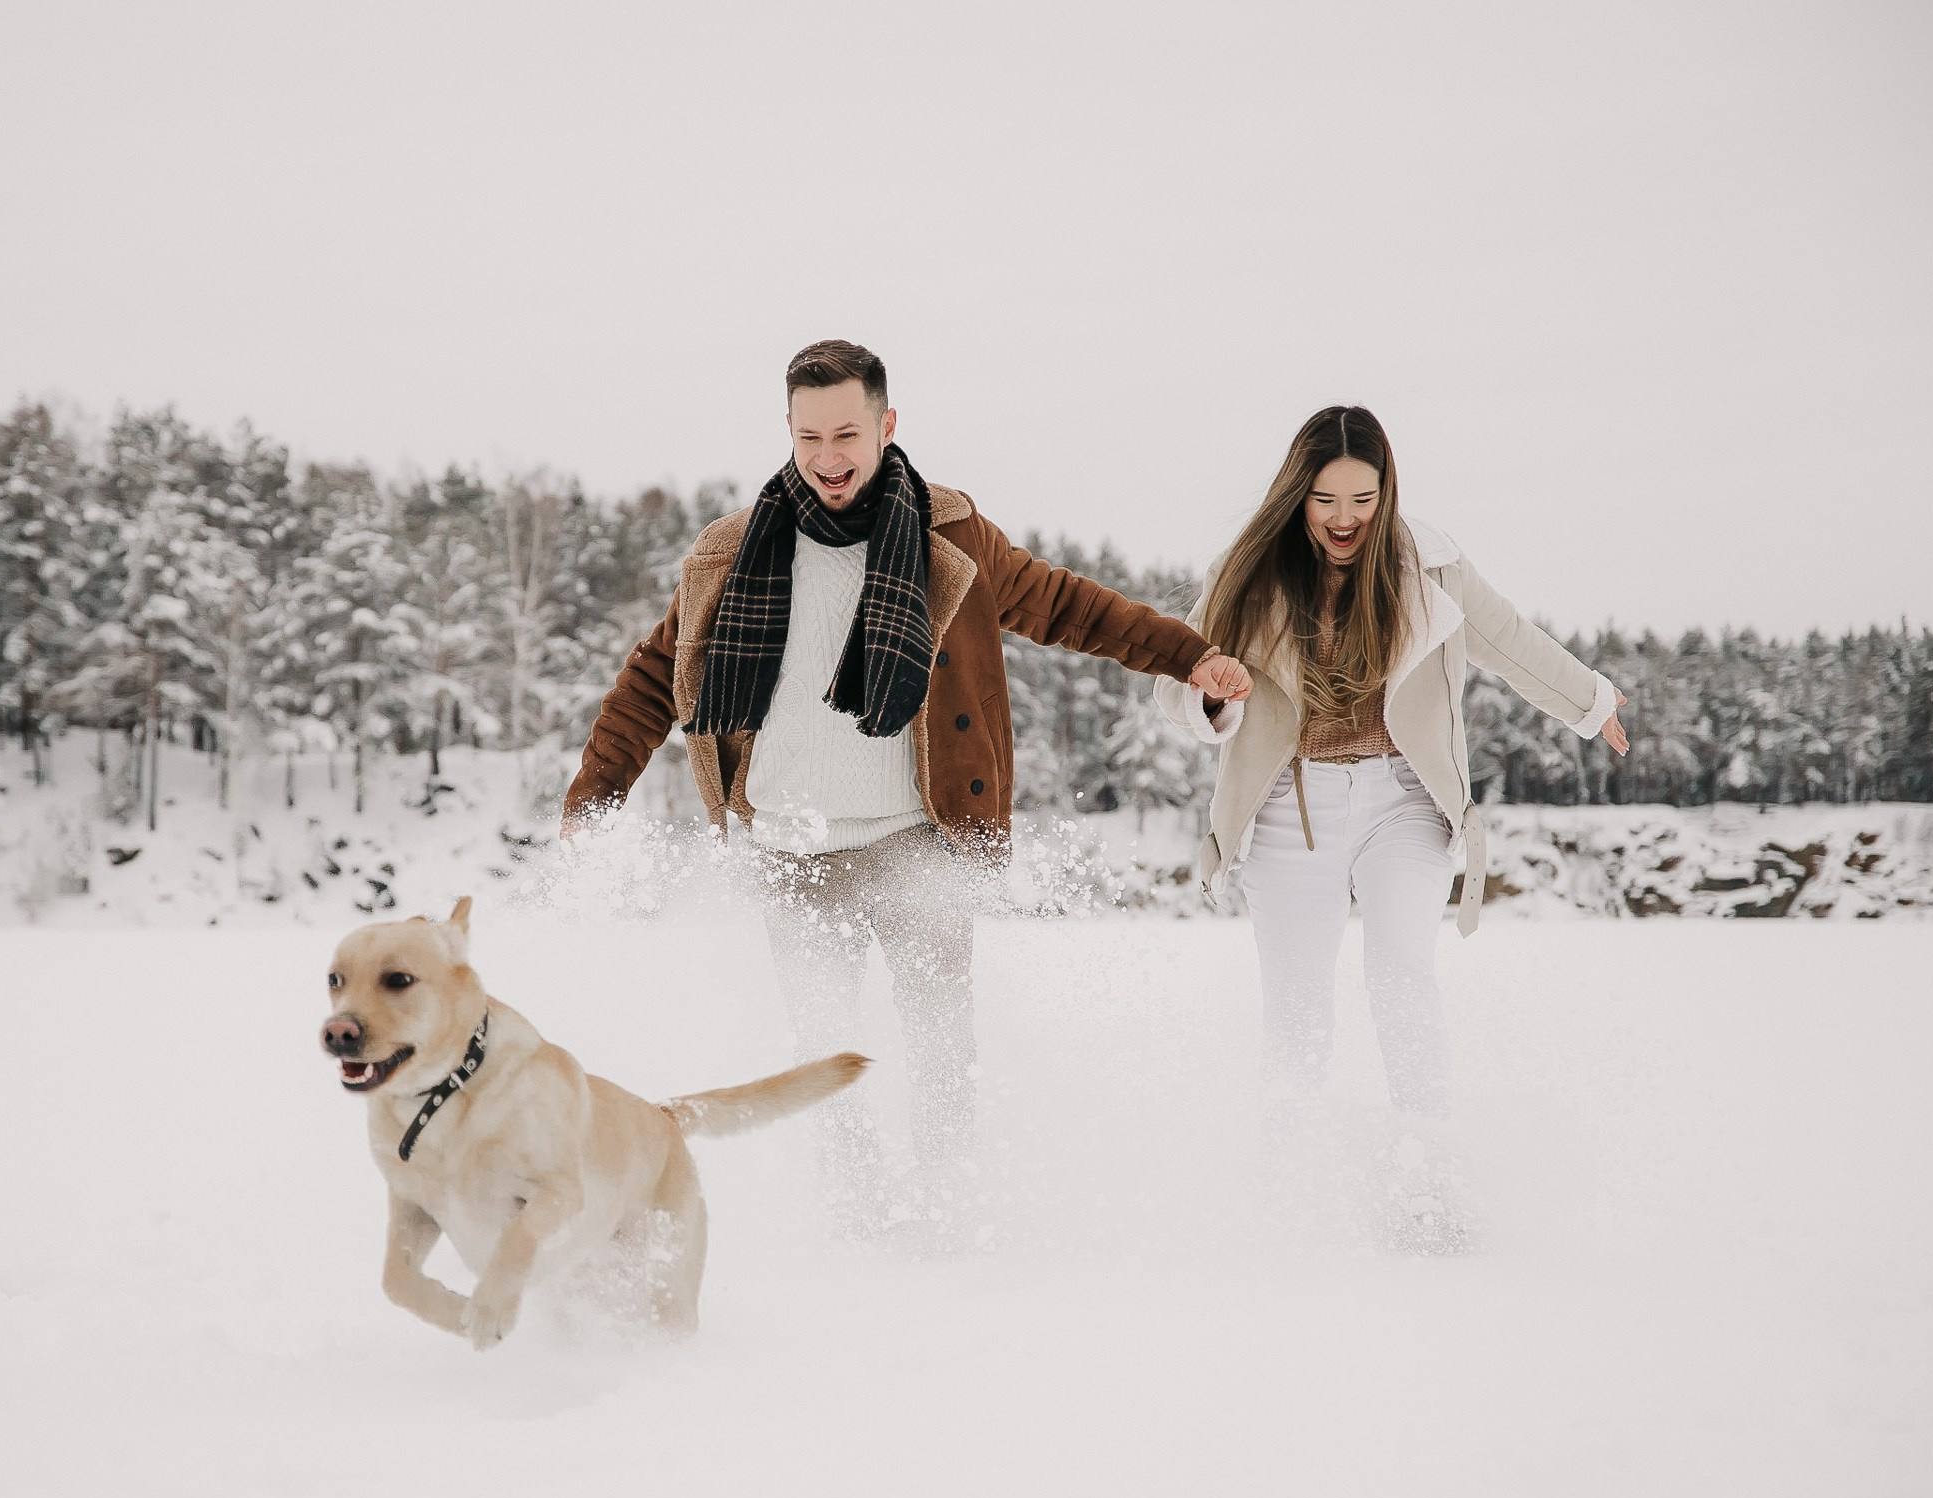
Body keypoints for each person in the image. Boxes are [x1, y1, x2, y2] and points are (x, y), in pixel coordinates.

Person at [564, 339, 1251, 1230]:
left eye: (846, 432)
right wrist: (595, 798)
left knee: (940, 1049)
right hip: (788, 854)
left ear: (886, 425)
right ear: (789, 432)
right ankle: (856, 1221)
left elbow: (1072, 607)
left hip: (911, 844)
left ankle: (947, 1216)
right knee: (822, 1060)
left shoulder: (951, 539)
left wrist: (1190, 657)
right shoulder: (729, 553)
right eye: (809, 436)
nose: (828, 457)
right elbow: (655, 676)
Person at [1152, 404, 1628, 1250]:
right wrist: (1206, 692)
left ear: (1388, 489)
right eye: (1325, 499)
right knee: (1297, 1014)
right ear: (1297, 495)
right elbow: (1175, 682)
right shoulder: (1249, 570)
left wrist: (1591, 705)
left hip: (1404, 799)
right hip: (1287, 808)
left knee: (1402, 976)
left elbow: (1511, 642)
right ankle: (1288, 1194)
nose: (1344, 520)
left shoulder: (1429, 566)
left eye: (1363, 499)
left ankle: (1428, 1191)